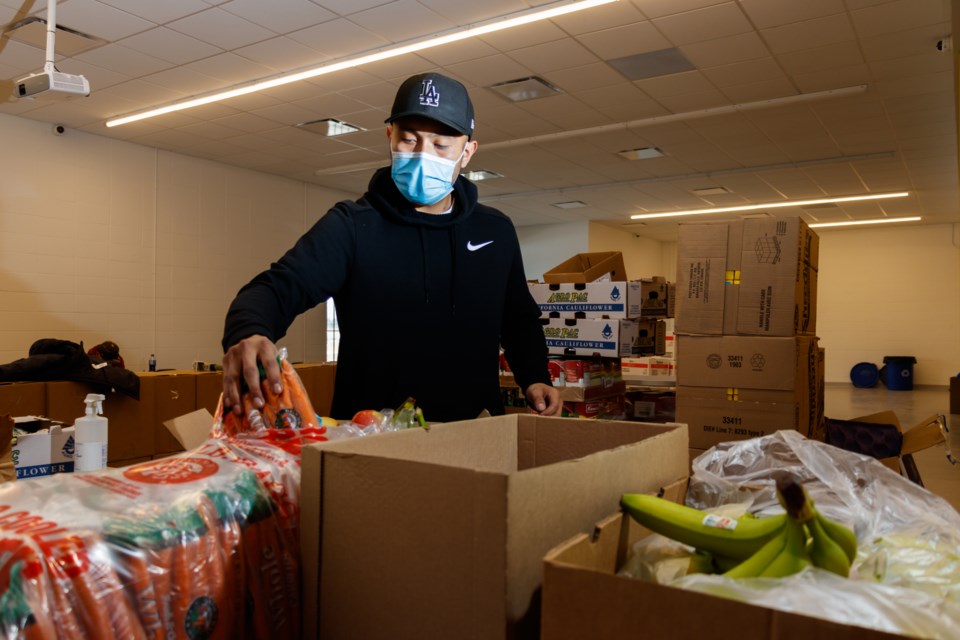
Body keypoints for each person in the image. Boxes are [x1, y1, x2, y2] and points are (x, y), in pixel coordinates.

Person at [221, 72, 560, 423]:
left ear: (467, 151)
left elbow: (518, 318)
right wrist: (250, 332)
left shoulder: (495, 231)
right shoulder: (352, 226)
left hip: (476, 431)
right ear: (389, 137)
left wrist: (535, 376)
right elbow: (276, 288)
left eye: (440, 145)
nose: (422, 154)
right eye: (408, 140)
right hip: (371, 441)